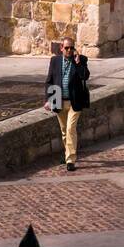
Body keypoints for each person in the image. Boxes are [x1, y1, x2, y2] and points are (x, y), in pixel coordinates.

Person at [44, 36, 90, 171]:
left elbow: (85, 76)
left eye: (71, 48)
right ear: (61, 48)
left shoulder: (81, 60)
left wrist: (78, 63)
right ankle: (67, 154)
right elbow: (49, 81)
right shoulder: (55, 61)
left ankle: (70, 160)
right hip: (59, 100)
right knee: (64, 131)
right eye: (67, 48)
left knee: (70, 129)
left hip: (75, 102)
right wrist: (48, 99)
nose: (69, 50)